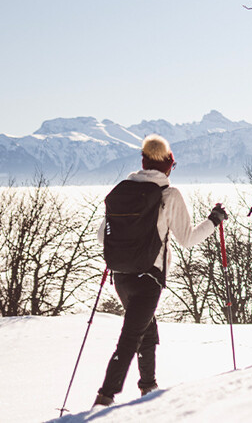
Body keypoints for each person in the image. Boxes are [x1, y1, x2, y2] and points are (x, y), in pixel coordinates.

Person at [92, 135, 228, 407]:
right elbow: (187, 239)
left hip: (121, 276)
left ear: (143, 163)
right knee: (130, 337)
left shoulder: (124, 191)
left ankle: (148, 386)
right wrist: (214, 220)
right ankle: (104, 397)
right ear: (168, 166)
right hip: (149, 277)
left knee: (146, 328)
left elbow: (100, 236)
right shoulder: (169, 194)